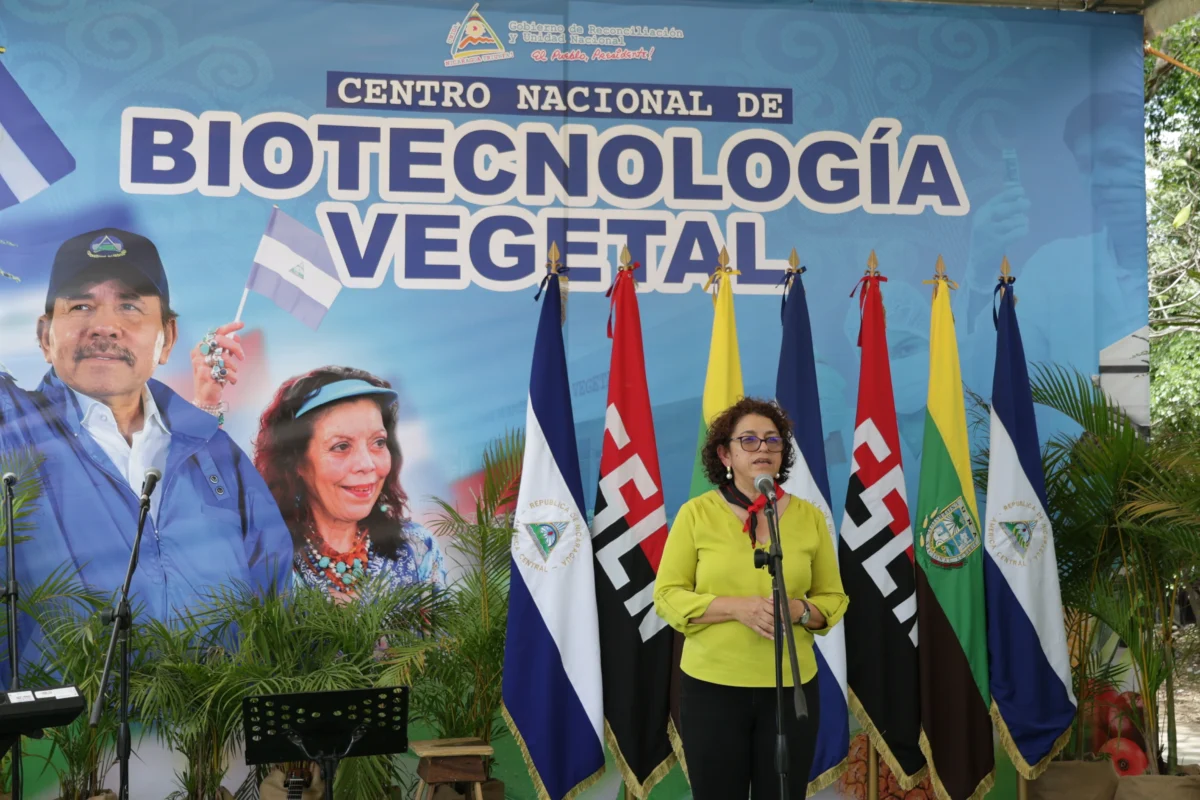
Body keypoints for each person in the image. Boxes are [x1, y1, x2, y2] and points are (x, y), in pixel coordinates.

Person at [0, 228, 293, 649]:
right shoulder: (12, 436)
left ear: (168, 338)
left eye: (130, 306)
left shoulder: (215, 453)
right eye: (80, 306)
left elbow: (278, 607)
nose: (105, 326)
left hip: (214, 695)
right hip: (70, 697)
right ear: (45, 336)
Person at [653, 397, 849, 800]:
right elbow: (668, 596)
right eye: (749, 440)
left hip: (791, 687)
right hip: (712, 688)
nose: (763, 448)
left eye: (773, 440)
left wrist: (800, 610)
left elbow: (832, 598)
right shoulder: (696, 514)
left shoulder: (810, 517)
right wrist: (736, 608)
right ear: (725, 454)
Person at [251, 366, 446, 600]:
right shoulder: (270, 564)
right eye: (341, 446)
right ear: (297, 462)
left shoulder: (416, 547)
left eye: (378, 442)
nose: (367, 464)